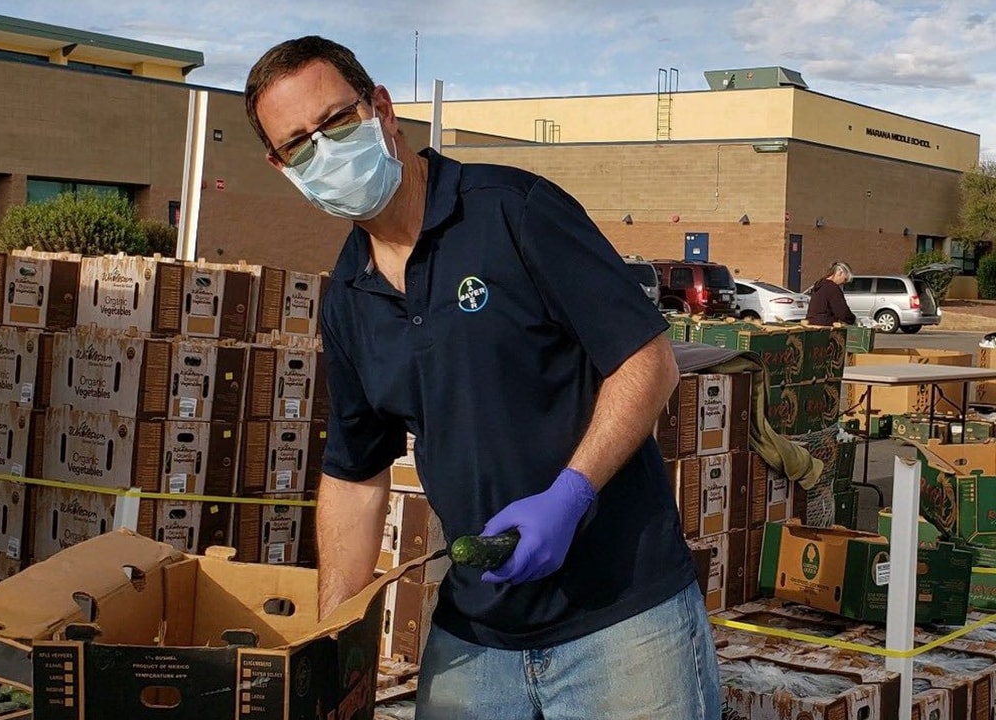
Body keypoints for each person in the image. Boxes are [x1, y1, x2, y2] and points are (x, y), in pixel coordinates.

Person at [245, 36, 719, 719]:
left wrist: (571, 494)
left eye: (335, 122)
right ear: (280, 164)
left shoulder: (513, 212)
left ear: (381, 109)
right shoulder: (348, 294)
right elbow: (355, 475)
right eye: (299, 145)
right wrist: (333, 641)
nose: (324, 151)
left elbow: (646, 360)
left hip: (623, 622)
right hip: (475, 639)